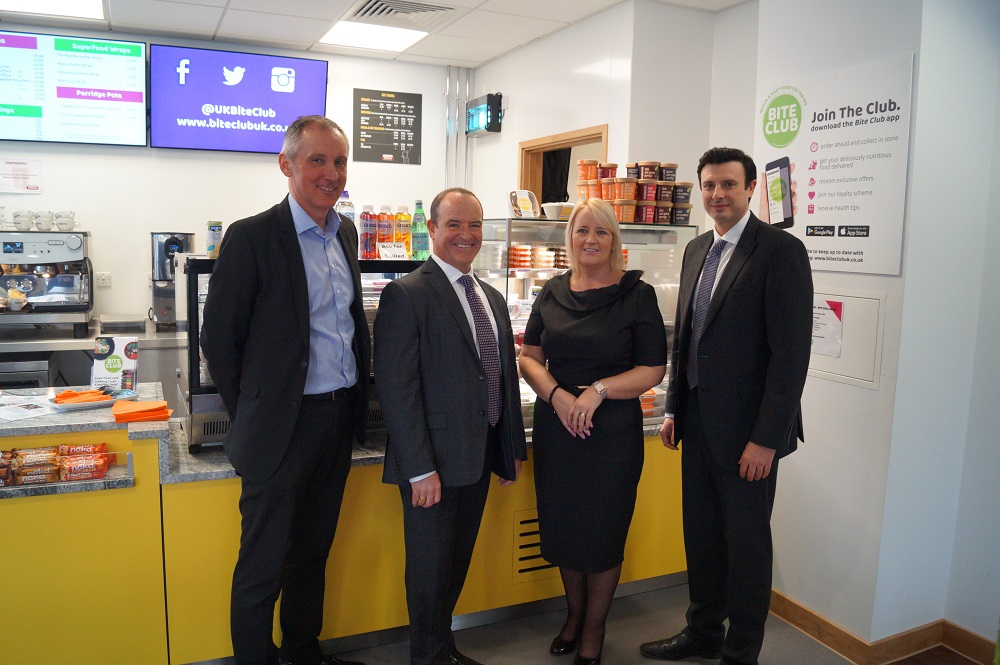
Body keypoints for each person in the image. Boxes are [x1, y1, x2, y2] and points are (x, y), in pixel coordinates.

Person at [201, 115, 368, 665]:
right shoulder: (252, 237)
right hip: (278, 427)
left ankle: (303, 652)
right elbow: (219, 340)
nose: (331, 173)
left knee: (312, 554)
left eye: (339, 161)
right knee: (262, 564)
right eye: (317, 160)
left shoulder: (344, 232)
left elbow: (346, 325)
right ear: (287, 165)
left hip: (335, 418)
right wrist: (254, 408)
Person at [639, 147, 813, 665]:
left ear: (751, 188)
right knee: (704, 539)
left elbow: (790, 358)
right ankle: (703, 631)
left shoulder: (780, 251)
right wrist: (674, 409)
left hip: (749, 437)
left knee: (747, 547)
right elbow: (687, 339)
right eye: (709, 186)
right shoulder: (697, 249)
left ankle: (742, 651)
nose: (717, 195)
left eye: (728, 185)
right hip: (698, 426)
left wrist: (765, 439)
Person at [373, 187, 527, 665]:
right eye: (454, 225)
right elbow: (398, 391)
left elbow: (500, 374)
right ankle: (427, 657)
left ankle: (444, 649)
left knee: (454, 565)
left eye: (475, 225)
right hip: (433, 465)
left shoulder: (492, 297)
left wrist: (507, 451)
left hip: (478, 459)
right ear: (433, 229)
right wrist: (419, 469)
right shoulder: (407, 293)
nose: (466, 235)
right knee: (428, 572)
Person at [519, 197, 668, 665]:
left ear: (614, 240)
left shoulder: (637, 294)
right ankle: (573, 615)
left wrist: (598, 390)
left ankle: (594, 631)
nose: (591, 240)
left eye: (601, 231)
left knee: (602, 533)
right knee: (565, 528)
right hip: (558, 426)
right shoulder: (550, 290)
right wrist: (558, 396)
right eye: (582, 230)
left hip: (612, 431)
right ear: (570, 238)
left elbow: (653, 369)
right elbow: (529, 356)